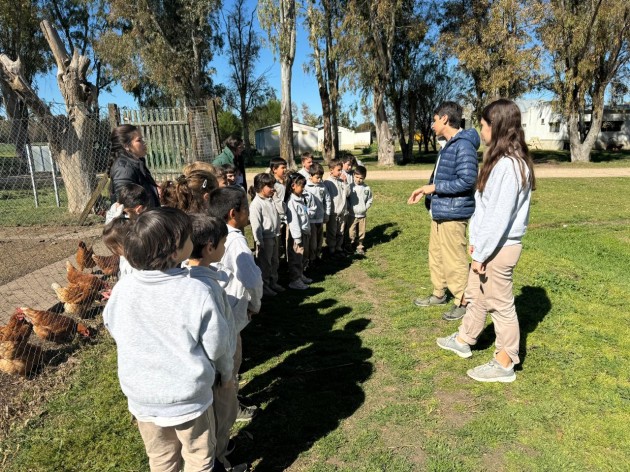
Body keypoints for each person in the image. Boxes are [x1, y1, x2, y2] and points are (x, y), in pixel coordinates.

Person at [103, 207, 231, 471]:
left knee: (161, 459)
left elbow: (112, 326)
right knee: (198, 457)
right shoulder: (195, 290)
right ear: (175, 251)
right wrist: (224, 372)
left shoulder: (122, 289)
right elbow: (216, 344)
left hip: (143, 397)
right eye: (187, 238)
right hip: (190, 399)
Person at [436, 99, 535, 383]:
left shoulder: (509, 166)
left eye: (483, 125)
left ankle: (505, 362)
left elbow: (499, 217)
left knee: (500, 304)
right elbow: (487, 210)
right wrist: (476, 243)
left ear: (498, 127)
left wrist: (482, 254)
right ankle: (465, 339)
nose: (480, 130)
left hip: (499, 248)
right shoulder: (503, 161)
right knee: (476, 294)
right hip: (489, 245)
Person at [186, 214, 248, 472]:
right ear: (210, 247)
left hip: (196, 374)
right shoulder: (206, 288)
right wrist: (226, 373)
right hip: (215, 374)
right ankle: (220, 459)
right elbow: (217, 339)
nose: (226, 247)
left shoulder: (185, 278)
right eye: (223, 243)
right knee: (222, 415)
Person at [407, 101, 479, 321]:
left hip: (453, 214)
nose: (432, 124)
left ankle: (463, 301)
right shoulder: (448, 144)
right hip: (440, 211)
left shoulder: (463, 145)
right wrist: (428, 194)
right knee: (436, 256)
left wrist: (434, 188)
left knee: (454, 259)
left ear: (445, 119)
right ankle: (439, 293)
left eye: (435, 119)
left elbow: (467, 180)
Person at [208, 186, 263, 423]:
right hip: (231, 311)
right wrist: (255, 304)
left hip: (218, 309)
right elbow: (252, 279)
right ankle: (229, 408)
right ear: (233, 212)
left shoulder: (210, 233)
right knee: (231, 363)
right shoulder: (237, 243)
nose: (248, 213)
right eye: (246, 208)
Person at [107, 124, 160, 208]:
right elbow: (127, 204)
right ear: (126, 146)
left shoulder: (136, 163)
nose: (144, 143)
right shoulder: (123, 168)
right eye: (139, 140)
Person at [248, 173, 284, 297]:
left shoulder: (271, 200)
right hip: (265, 239)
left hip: (275, 235)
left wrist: (276, 199)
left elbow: (282, 210)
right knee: (265, 264)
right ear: (260, 186)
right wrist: (259, 241)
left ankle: (274, 282)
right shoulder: (256, 204)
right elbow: (256, 225)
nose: (273, 188)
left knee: (275, 261)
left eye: (273, 185)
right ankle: (265, 286)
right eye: (269, 186)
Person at [285, 172, 312, 290]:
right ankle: (294, 280)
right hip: (297, 236)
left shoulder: (301, 199)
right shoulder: (291, 203)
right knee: (296, 258)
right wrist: (297, 238)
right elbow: (293, 222)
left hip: (304, 233)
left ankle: (300, 275)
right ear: (293, 186)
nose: (303, 189)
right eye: (302, 186)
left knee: (303, 257)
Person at [304, 162, 331, 265]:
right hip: (310, 220)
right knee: (313, 241)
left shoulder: (322, 186)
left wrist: (327, 214)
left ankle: (317, 256)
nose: (319, 180)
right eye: (317, 177)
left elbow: (327, 200)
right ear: (310, 176)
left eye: (321, 177)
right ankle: (311, 258)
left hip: (320, 217)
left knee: (319, 240)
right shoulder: (305, 187)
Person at [324, 158, 351, 257]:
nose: (340, 172)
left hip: (342, 211)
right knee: (332, 231)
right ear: (331, 170)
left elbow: (348, 194)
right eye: (338, 170)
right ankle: (331, 248)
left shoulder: (341, 181)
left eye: (341, 170)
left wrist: (345, 182)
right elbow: (326, 198)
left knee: (341, 231)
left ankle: (339, 247)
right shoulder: (327, 182)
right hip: (333, 212)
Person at [345, 165, 373, 255]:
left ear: (364, 177)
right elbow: (347, 198)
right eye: (356, 177)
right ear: (353, 175)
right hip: (352, 214)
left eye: (361, 178)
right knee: (351, 231)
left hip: (362, 215)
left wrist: (366, 207)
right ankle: (349, 245)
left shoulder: (367, 188)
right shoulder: (350, 187)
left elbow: (370, 199)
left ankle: (360, 246)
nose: (358, 179)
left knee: (362, 232)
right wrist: (349, 207)